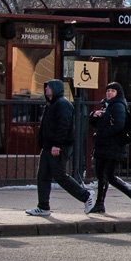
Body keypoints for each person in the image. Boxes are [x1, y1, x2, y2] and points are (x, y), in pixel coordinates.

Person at [26, 79, 94, 216]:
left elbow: (63, 126)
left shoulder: (63, 104)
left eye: (49, 87)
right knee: (43, 176)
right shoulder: (51, 104)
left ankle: (86, 196)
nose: (46, 89)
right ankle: (43, 206)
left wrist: (57, 144)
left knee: (60, 176)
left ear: (56, 89)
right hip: (48, 147)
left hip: (57, 147)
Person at [87, 82, 131, 213]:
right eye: (108, 91)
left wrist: (102, 135)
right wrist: (93, 116)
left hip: (112, 146)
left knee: (103, 175)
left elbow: (118, 125)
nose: (109, 93)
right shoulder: (107, 106)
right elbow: (99, 124)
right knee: (108, 176)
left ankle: (100, 204)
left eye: (113, 91)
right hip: (106, 146)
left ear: (118, 93)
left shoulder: (118, 106)